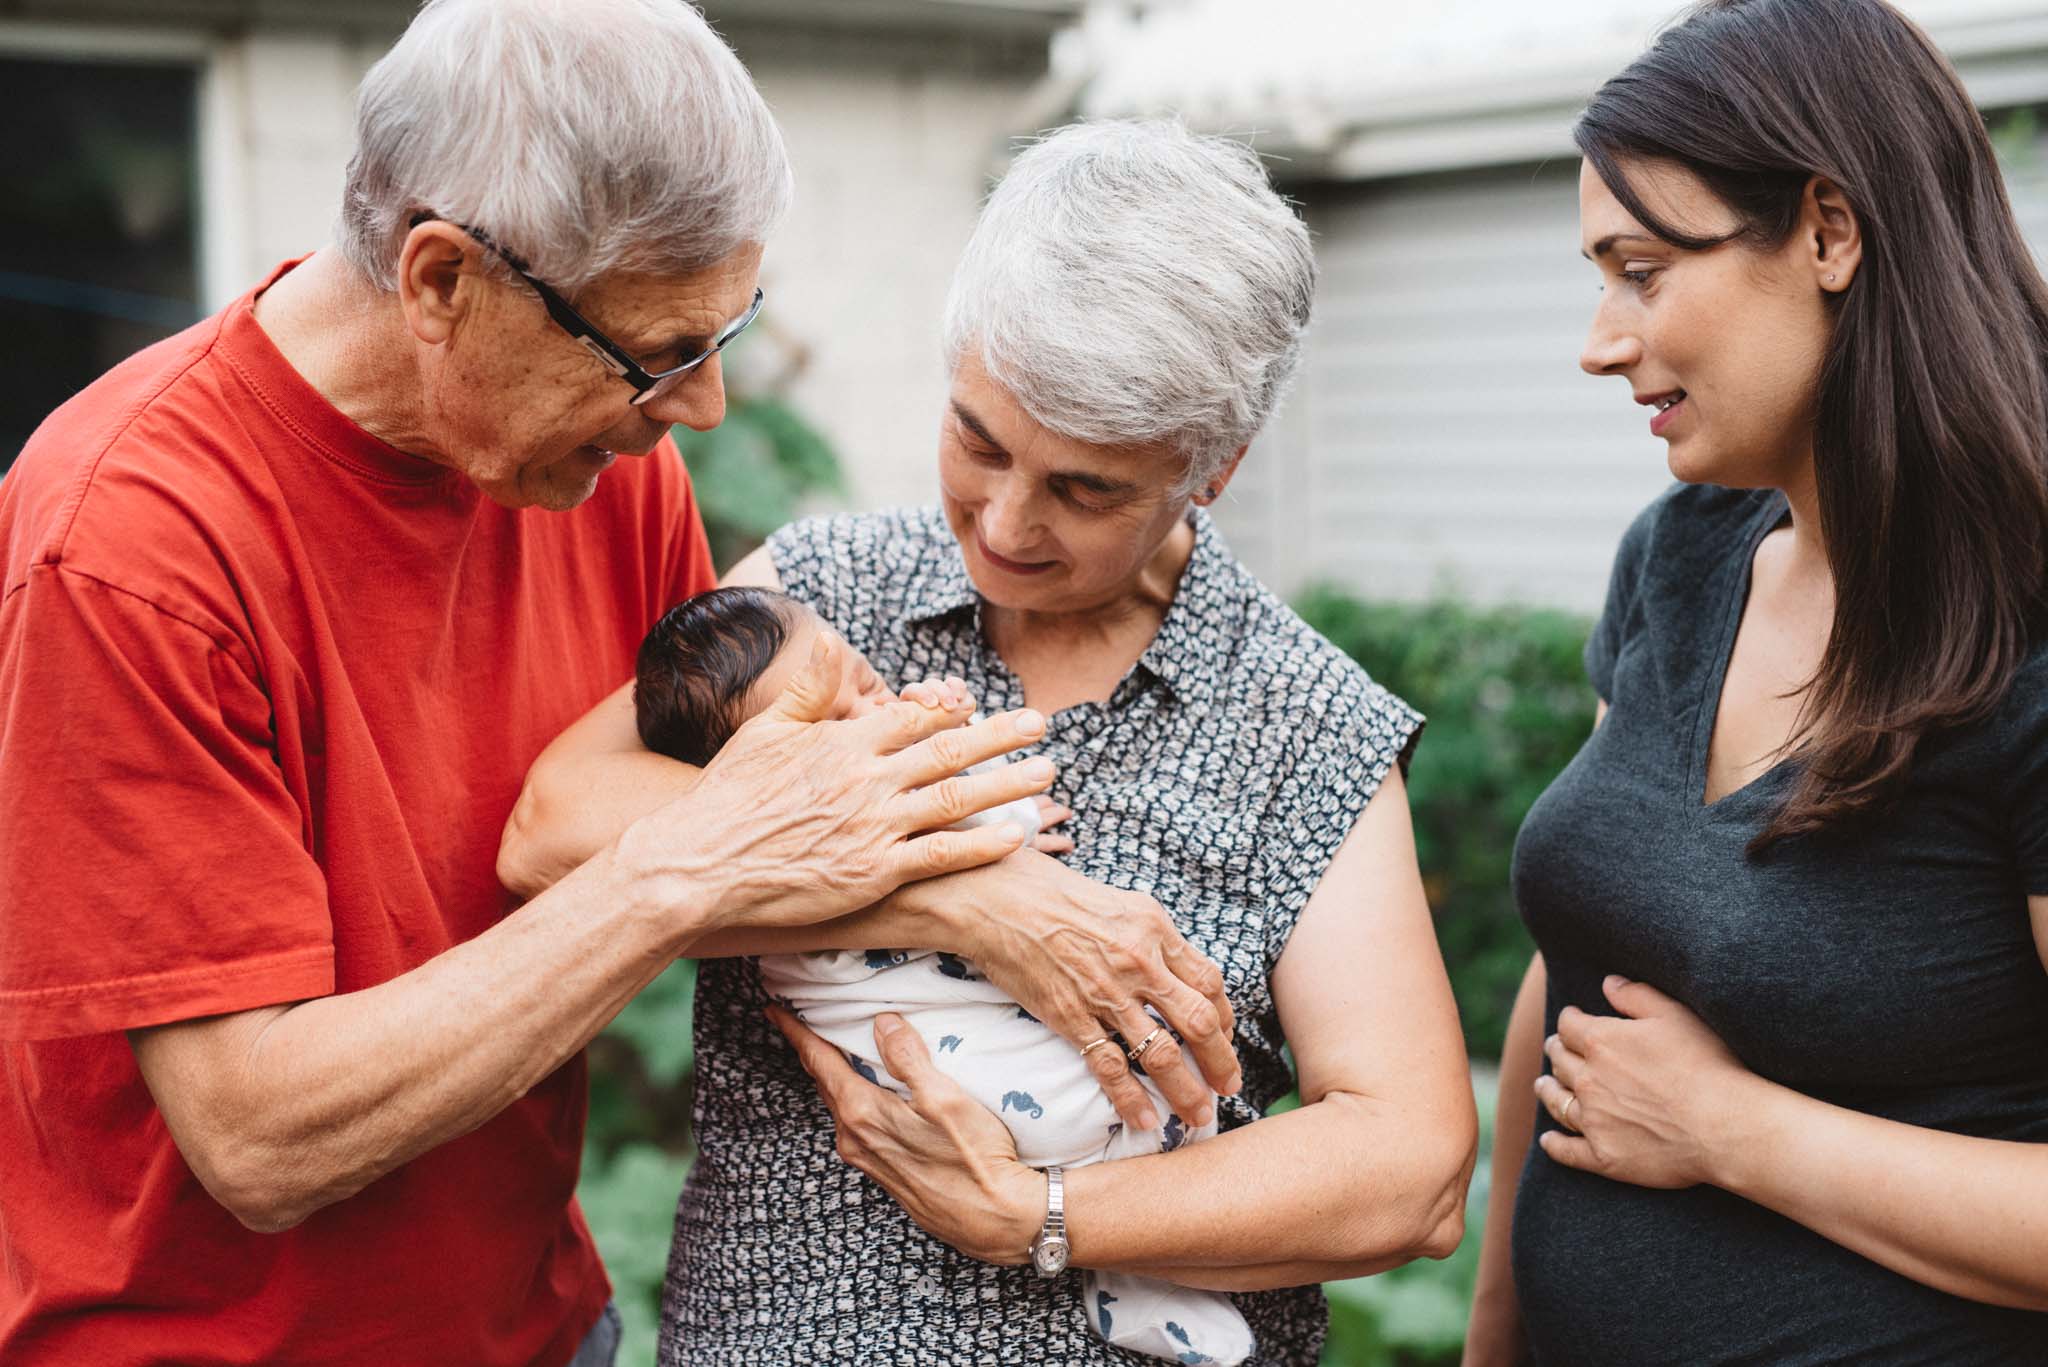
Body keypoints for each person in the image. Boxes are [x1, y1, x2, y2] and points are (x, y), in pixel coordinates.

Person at [0, 1, 1164, 1362]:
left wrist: (974, 889)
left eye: (722, 337)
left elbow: (710, 832)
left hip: (542, 1323)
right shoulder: (124, 548)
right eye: (658, 352)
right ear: (442, 283)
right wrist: (680, 873)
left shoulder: (604, 472)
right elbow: (257, 1132)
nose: (703, 410)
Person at [501, 118, 1478, 1366]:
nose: (1005, 522)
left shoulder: (1301, 719)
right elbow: (555, 828)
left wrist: (1040, 1217)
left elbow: (1409, 1165)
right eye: (978, 438)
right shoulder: (821, 598)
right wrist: (971, 893)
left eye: (1085, 489)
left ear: (1209, 471)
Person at [1462, 2, 2048, 1363]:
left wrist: (1739, 1133)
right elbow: (1575, 973)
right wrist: (1495, 1331)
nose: (1602, 340)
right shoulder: (1684, 554)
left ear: (1831, 232)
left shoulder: (2025, 648)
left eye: (1643, 267)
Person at [631, 583, 1254, 1364]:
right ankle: (1137, 1257)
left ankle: (1138, 1258)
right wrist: (1004, 807)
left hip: (994, 1095)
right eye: (823, 733)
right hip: (961, 1076)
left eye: (867, 686)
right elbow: (965, 818)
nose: (875, 724)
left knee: (1132, 1092)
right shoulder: (780, 863)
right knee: (1092, 1097)